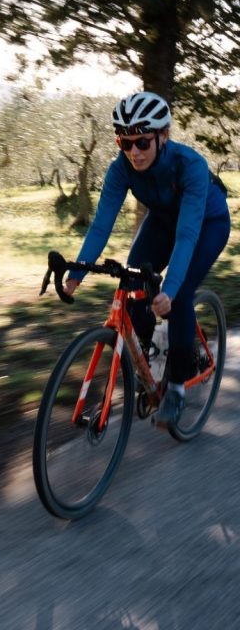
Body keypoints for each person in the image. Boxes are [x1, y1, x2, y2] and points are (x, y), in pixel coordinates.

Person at [64, 91, 231, 430]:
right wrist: (76, 271)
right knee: (132, 283)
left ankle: (176, 388)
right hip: (163, 221)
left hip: (206, 224)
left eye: (142, 142)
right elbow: (101, 225)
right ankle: (155, 354)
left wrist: (169, 289)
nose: (134, 152)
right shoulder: (120, 168)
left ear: (163, 136)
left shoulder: (190, 165)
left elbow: (187, 235)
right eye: (125, 143)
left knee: (179, 295)